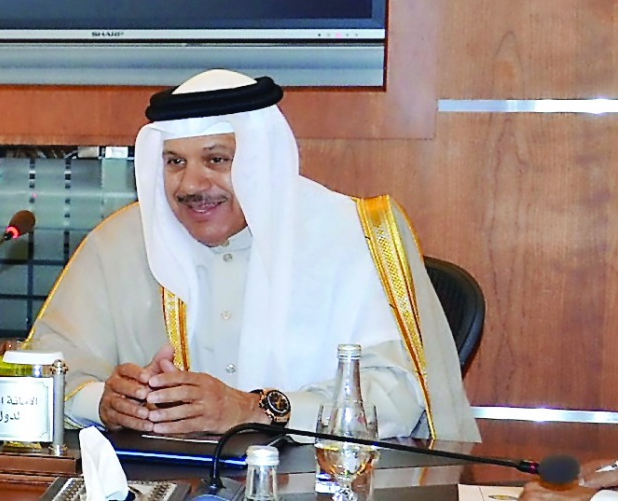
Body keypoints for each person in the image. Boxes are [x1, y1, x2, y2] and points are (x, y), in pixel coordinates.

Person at [26, 69, 479, 441]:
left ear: (261, 161)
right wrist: (104, 402)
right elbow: (43, 368)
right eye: (175, 162)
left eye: (217, 160)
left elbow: (396, 396)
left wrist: (250, 409)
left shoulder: (354, 236)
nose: (191, 185)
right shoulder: (120, 241)